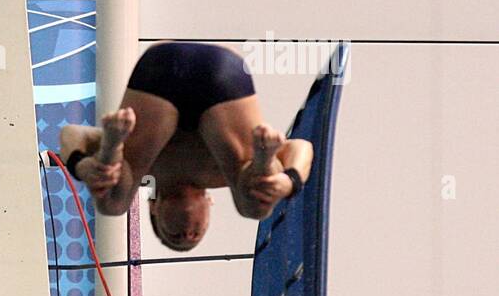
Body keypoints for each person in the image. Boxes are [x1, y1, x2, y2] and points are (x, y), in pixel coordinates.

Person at [59, 41, 312, 251]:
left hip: (161, 70)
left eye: (175, 236)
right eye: (196, 233)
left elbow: (72, 133)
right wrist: (290, 181)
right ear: (210, 204)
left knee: (112, 203)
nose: (187, 232)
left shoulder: (144, 174)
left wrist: (80, 166)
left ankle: (110, 149)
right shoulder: (220, 176)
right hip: (222, 75)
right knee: (254, 206)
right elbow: (301, 147)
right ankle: (263, 161)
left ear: (154, 208)